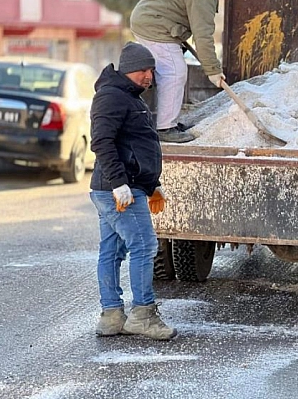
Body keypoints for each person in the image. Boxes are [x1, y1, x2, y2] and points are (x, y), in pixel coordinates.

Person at [89, 42, 177, 341]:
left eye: (151, 70)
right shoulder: (112, 97)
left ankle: (112, 316)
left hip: (126, 187)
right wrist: (119, 184)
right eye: (144, 70)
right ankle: (143, 314)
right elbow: (101, 142)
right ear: (129, 70)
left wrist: (152, 185)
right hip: (118, 190)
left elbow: (137, 146)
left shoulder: (130, 97)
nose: (149, 76)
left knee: (112, 250)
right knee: (143, 246)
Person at [129, 0, 224, 143]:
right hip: (154, 25)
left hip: (149, 19)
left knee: (167, 72)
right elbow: (203, 35)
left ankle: (165, 123)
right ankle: (165, 128)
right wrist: (213, 69)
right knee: (174, 73)